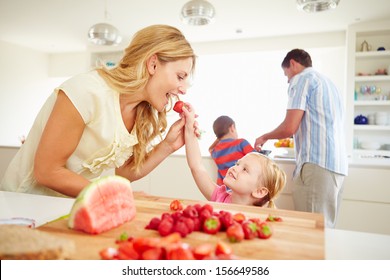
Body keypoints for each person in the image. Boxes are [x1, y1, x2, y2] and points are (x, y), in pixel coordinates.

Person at [0, 24, 196, 198]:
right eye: (180, 76)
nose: (184, 90)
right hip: (22, 202)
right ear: (153, 64)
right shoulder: (88, 90)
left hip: (68, 206)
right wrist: (114, 194)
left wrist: (168, 146)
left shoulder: (141, 112)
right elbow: (47, 172)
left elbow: (125, 173)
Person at [254, 48, 348, 227]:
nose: (287, 79)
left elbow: (289, 128)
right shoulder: (329, 83)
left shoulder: (302, 79)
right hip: (338, 166)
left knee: (310, 229)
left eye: (286, 74)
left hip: (317, 164)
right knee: (326, 228)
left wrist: (265, 136)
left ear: (292, 64)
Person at [183, 104, 286, 207]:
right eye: (237, 164)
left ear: (259, 191)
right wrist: (189, 127)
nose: (234, 168)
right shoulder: (220, 198)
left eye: (245, 169)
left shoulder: (260, 218)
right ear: (232, 128)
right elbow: (197, 166)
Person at [208, 116, 255, 186]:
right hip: (241, 186)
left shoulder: (215, 151)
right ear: (232, 128)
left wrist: (219, 136)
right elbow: (256, 158)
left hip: (224, 188)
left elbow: (210, 149)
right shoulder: (241, 143)